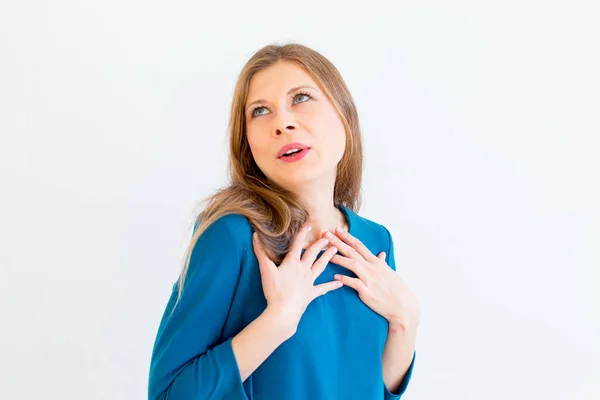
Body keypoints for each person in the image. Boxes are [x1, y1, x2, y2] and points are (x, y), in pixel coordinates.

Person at [148, 42, 420, 400]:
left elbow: (375, 389)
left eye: (301, 98)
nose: (283, 123)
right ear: (247, 143)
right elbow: (168, 394)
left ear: (344, 114)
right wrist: (278, 320)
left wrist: (406, 321)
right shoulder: (234, 236)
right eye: (260, 111)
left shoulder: (375, 241)